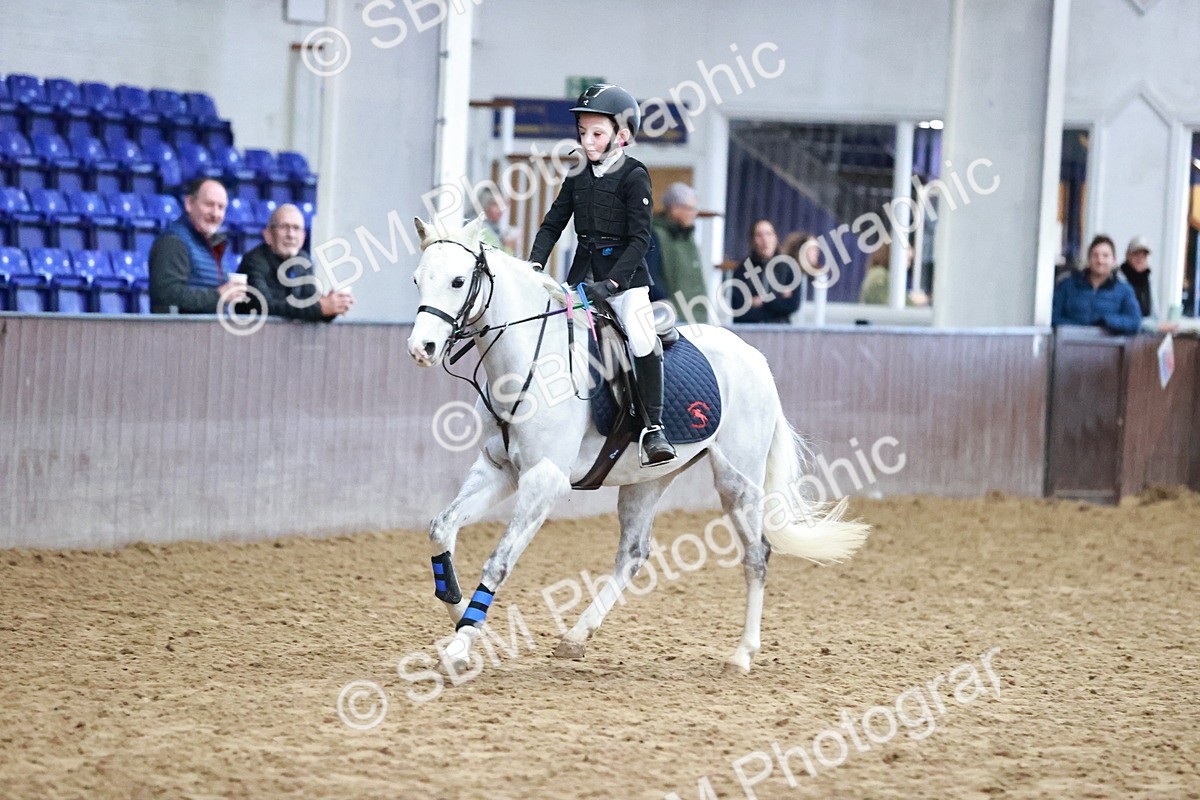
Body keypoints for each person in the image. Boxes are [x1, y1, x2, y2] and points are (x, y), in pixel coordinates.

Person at [528, 83, 674, 466]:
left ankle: (652, 428)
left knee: (641, 338)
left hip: (624, 281)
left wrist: (612, 283)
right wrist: (535, 264)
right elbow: (551, 225)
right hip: (580, 278)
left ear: (621, 136)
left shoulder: (634, 176)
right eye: (582, 134)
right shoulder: (577, 175)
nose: (587, 142)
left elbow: (641, 239)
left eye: (596, 134)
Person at [237, 204, 354, 321]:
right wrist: (320, 308)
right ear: (268, 235)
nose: (291, 235)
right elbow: (264, 306)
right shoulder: (253, 261)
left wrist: (333, 307)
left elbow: (311, 303)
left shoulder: (303, 260)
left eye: (296, 228)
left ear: (303, 237)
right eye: (284, 227)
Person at [149, 177, 245, 313]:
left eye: (221, 207)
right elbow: (166, 295)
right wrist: (219, 295)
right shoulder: (173, 241)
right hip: (183, 333)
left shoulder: (215, 245)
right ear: (189, 203)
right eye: (209, 204)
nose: (215, 213)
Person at [1052, 234, 1142, 334]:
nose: (1100, 260)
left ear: (1114, 260)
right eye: (1095, 255)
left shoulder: (1124, 290)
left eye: (1105, 256)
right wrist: (1080, 330)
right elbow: (1053, 317)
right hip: (1070, 344)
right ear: (1089, 259)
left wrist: (1107, 321)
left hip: (1108, 347)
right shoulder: (1067, 285)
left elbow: (1135, 322)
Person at [645, 182, 708, 324]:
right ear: (674, 209)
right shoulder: (655, 236)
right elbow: (650, 277)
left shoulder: (687, 236)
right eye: (690, 209)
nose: (694, 214)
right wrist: (668, 306)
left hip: (696, 316)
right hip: (674, 318)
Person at [728, 219, 800, 324]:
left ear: (776, 237)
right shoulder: (743, 269)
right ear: (752, 240)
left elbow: (791, 305)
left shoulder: (788, 268)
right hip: (749, 331)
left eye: (769, 234)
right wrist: (777, 304)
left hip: (780, 331)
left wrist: (763, 301)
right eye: (759, 235)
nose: (765, 240)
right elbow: (738, 308)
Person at [858, 242, 926, 306]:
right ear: (892, 251)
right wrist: (914, 302)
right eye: (907, 248)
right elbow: (888, 305)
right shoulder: (879, 275)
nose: (911, 253)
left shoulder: (884, 275)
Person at [475, 188, 520, 255]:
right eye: (495, 204)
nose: (500, 209)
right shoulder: (481, 229)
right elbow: (496, 261)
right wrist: (509, 248)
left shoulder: (495, 228)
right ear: (484, 205)